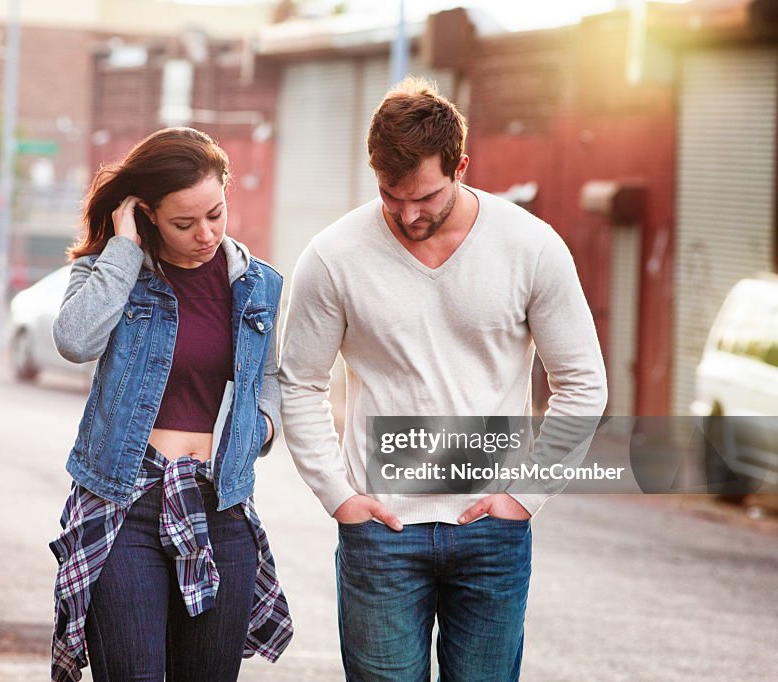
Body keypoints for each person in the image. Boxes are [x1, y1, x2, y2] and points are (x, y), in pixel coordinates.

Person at [279, 77, 608, 681]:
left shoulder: (530, 247)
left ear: (460, 165)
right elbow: (298, 381)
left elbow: (583, 382)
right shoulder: (333, 257)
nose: (407, 214)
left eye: (425, 196)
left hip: (492, 530)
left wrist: (524, 497)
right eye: (389, 194)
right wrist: (338, 495)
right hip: (381, 531)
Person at [48, 127, 292, 682]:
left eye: (216, 213)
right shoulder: (110, 273)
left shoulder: (257, 287)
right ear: (146, 214)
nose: (205, 234)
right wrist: (124, 250)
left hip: (220, 506)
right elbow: (75, 341)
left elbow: (270, 374)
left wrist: (261, 431)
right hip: (124, 502)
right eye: (184, 223)